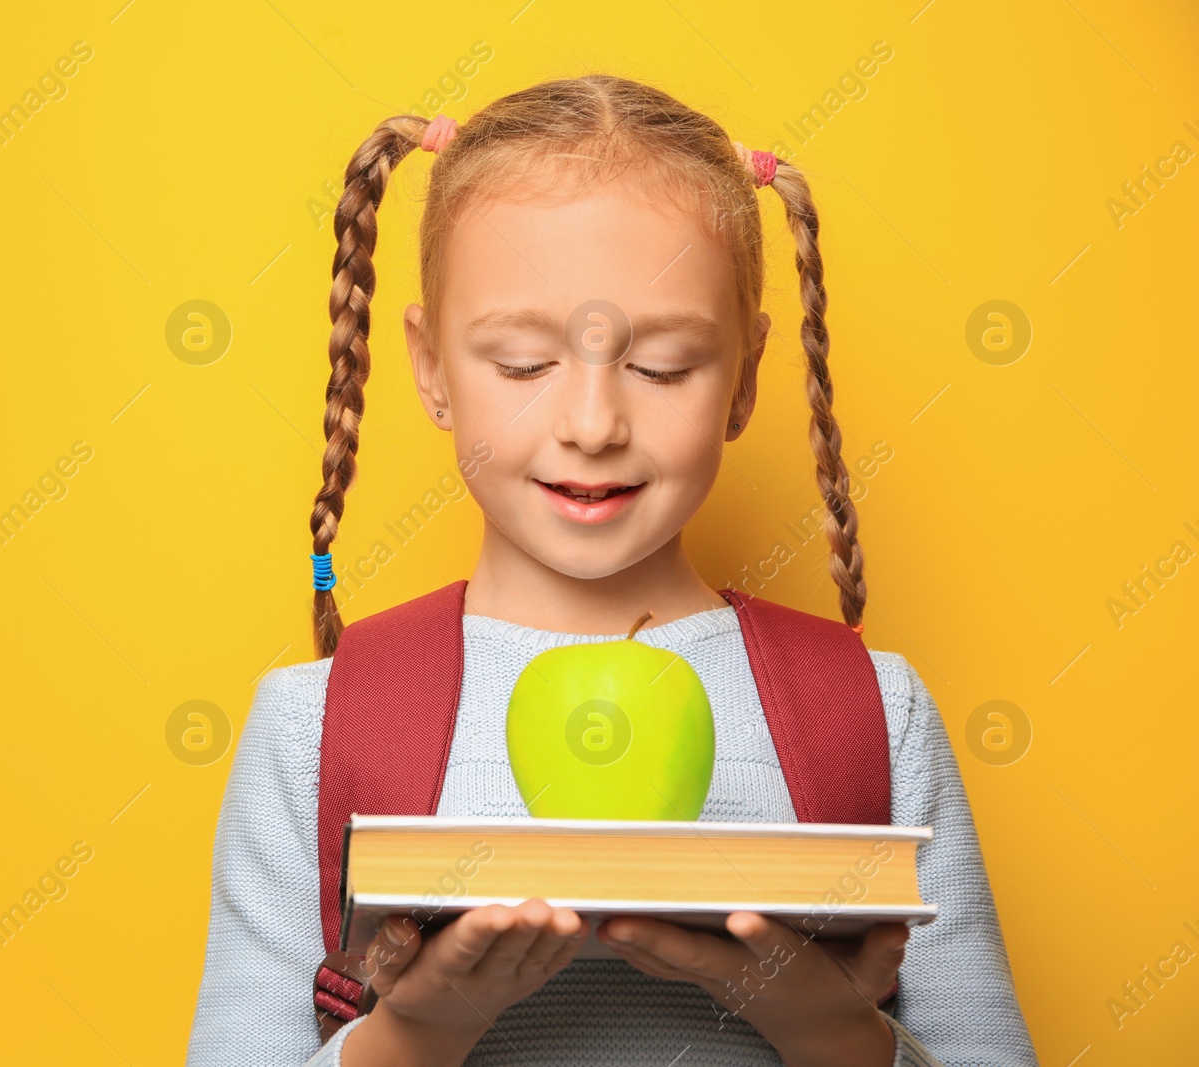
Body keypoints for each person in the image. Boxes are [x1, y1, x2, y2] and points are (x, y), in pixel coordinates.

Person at [186, 75, 1038, 1066]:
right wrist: (415, 1034)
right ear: (429, 368)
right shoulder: (313, 724)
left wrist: (830, 1030)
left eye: (665, 365)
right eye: (518, 362)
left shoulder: (872, 716)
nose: (593, 425)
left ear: (747, 375)